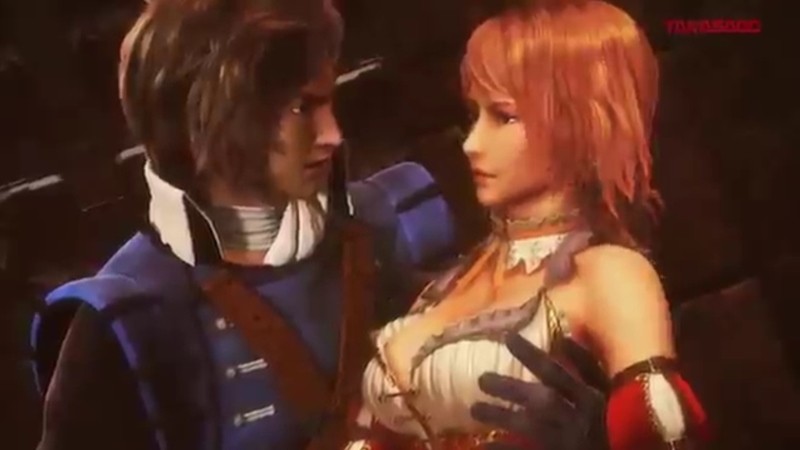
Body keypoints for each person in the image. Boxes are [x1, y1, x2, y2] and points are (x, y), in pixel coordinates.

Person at [30, 1, 606, 449]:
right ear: (222, 116)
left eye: (329, 103)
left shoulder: (394, 227)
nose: (332, 134)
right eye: (303, 108)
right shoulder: (125, 323)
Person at [343, 1, 710, 449]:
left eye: (504, 116)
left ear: (575, 120)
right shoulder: (451, 283)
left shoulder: (610, 273)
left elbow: (667, 434)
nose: (472, 143)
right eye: (474, 115)